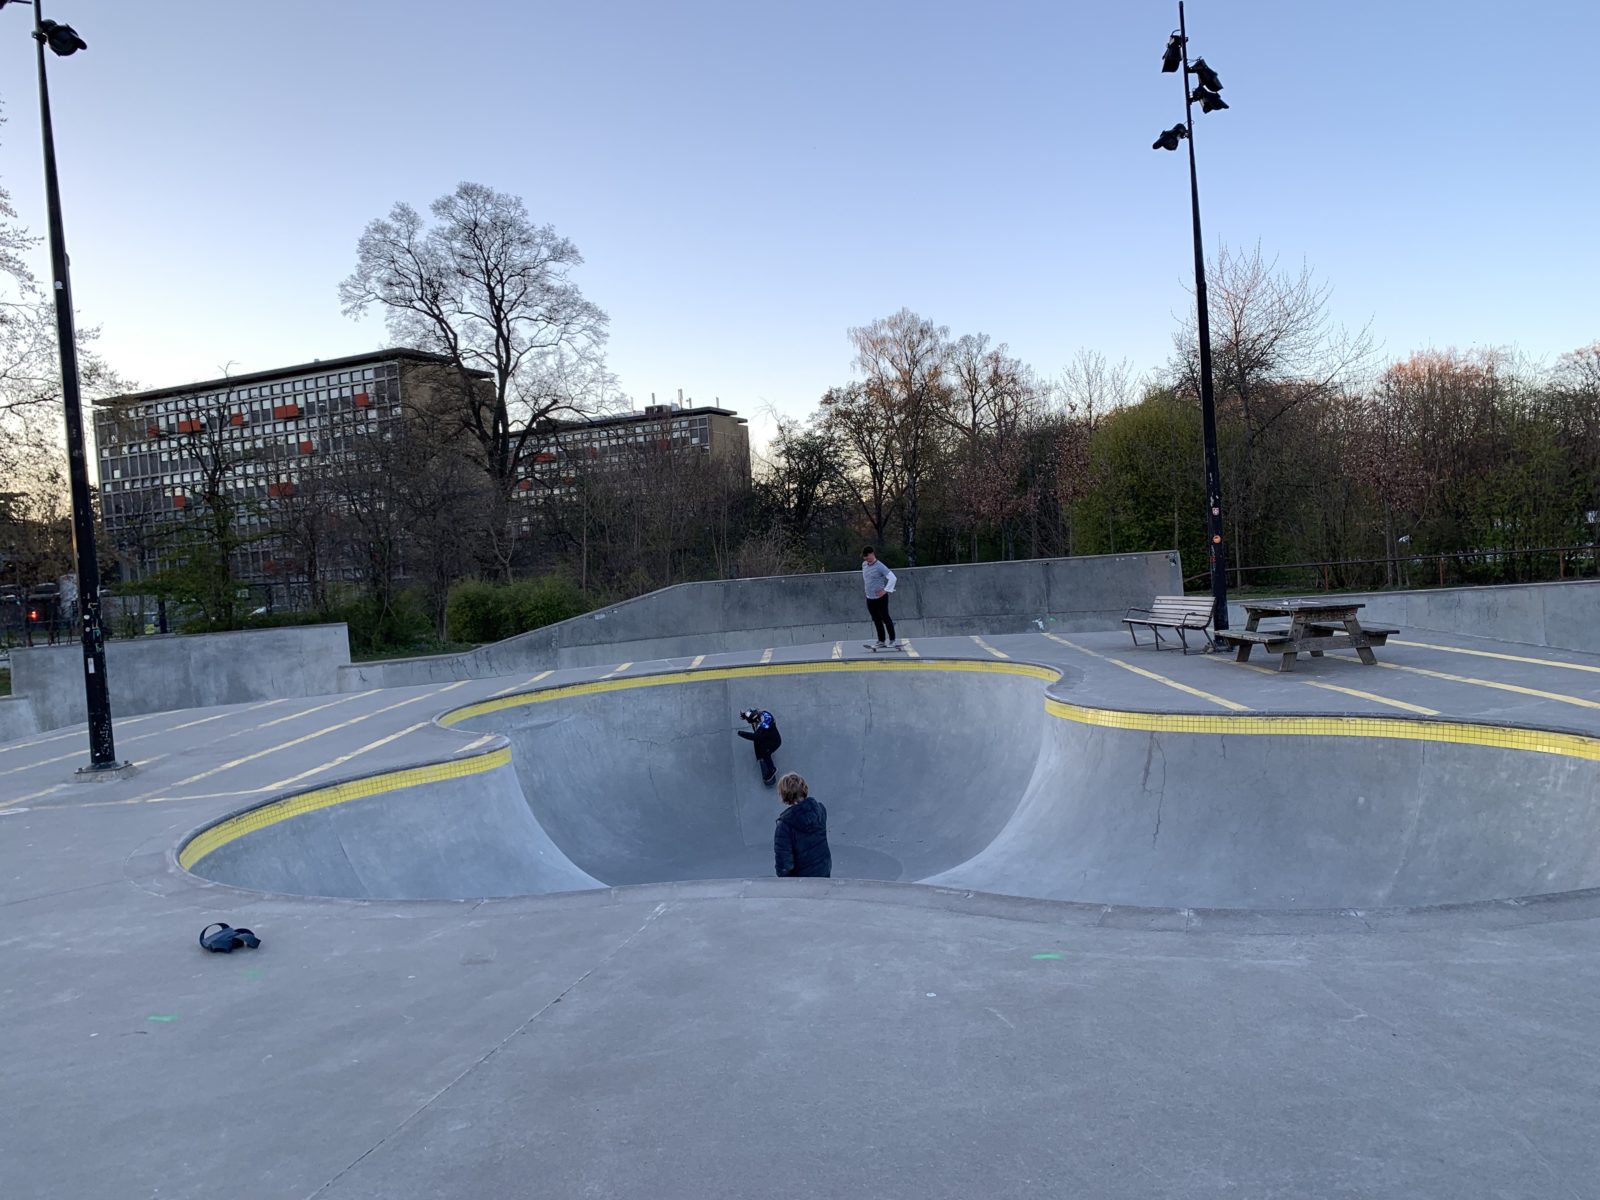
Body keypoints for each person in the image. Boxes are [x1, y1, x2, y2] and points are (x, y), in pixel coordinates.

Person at [774, 772, 832, 878]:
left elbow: (784, 865)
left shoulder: (784, 826)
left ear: (784, 795)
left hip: (802, 881)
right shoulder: (820, 810)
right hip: (823, 871)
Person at [861, 546, 897, 647]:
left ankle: (892, 640)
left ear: (872, 554)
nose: (866, 559)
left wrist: (885, 590)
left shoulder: (880, 566)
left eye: (867, 557)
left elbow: (893, 578)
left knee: (885, 617)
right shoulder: (864, 565)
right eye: (864, 558)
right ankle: (881, 640)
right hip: (870, 598)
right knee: (876, 619)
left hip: (881, 598)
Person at [737, 707, 782, 785]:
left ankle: (772, 770)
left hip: (774, 743)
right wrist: (745, 715)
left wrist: (741, 733)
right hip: (770, 736)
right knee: (760, 742)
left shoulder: (762, 729)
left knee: (765, 754)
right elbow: (753, 714)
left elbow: (754, 737)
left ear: (756, 720)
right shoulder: (765, 714)